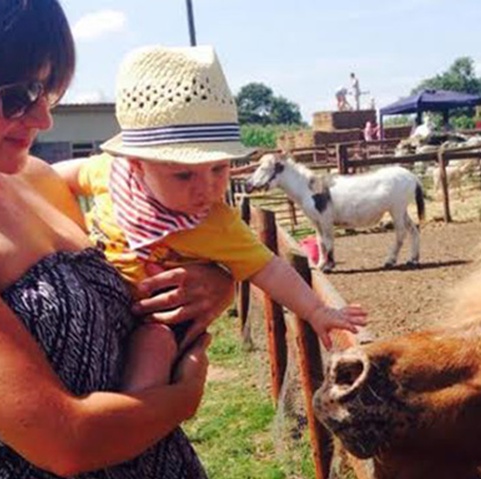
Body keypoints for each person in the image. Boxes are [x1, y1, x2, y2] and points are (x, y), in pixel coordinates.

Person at [0, 1, 238, 479]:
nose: (42, 116)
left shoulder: (35, 177)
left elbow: (130, 277)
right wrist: (185, 395)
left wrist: (214, 282)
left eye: (48, 91)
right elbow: (66, 441)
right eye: (15, 96)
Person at [58, 45, 367, 391]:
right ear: (136, 166)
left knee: (156, 346)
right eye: (184, 176)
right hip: (94, 300)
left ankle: (136, 418)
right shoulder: (110, 174)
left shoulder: (216, 224)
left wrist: (314, 311)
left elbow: (269, 269)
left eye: (219, 169)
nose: (207, 189)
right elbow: (50, 178)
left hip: (156, 319)